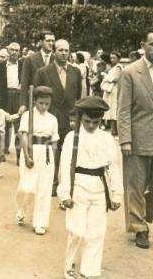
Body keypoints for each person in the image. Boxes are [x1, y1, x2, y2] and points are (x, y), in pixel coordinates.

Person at [58, 96, 122, 279]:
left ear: (101, 120)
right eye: (87, 121)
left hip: (99, 188)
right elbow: (65, 166)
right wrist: (64, 194)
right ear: (80, 118)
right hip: (78, 186)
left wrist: (116, 194)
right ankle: (70, 265)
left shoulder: (107, 139)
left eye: (96, 122)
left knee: (96, 232)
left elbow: (113, 167)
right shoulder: (73, 137)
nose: (91, 125)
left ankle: (89, 269)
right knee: (76, 231)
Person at [118, 27, 153, 249]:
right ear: (143, 46)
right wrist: (125, 139)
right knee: (136, 185)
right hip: (137, 136)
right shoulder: (130, 72)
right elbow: (123, 109)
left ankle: (140, 214)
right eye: (152, 44)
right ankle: (139, 227)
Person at [34, 39, 82, 196]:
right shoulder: (43, 72)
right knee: (51, 151)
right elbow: (36, 96)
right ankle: (51, 183)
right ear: (54, 51)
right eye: (60, 50)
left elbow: (79, 97)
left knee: (68, 152)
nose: (63, 53)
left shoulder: (75, 72)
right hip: (51, 117)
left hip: (69, 118)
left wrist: (76, 116)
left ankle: (66, 185)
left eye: (66, 50)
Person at [16, 86, 58, 235]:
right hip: (31, 151)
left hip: (46, 154)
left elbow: (54, 142)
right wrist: (27, 156)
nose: (44, 106)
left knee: (43, 190)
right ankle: (21, 209)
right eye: (41, 103)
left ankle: (40, 222)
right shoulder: (28, 115)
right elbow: (24, 137)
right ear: (34, 101)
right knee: (27, 187)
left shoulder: (52, 118)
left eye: (47, 103)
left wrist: (53, 161)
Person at [0, 42, 23, 163]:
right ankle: (1, 152)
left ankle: (19, 155)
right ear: (8, 51)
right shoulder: (0, 66)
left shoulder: (23, 65)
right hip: (4, 96)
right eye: (12, 50)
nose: (14, 52)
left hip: (18, 97)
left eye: (17, 50)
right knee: (3, 125)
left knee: (19, 127)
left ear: (19, 52)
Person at [20, 31, 55, 115]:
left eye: (53, 41)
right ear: (41, 42)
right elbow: (24, 83)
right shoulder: (30, 59)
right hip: (35, 102)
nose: (51, 43)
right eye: (48, 41)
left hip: (53, 103)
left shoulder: (56, 60)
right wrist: (23, 104)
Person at [101, 51, 122, 136]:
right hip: (110, 90)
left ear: (118, 59)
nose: (112, 60)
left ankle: (115, 129)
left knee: (114, 108)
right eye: (111, 58)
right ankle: (110, 127)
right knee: (109, 108)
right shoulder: (112, 67)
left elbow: (116, 78)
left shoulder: (118, 67)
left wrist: (105, 77)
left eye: (114, 58)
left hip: (114, 90)